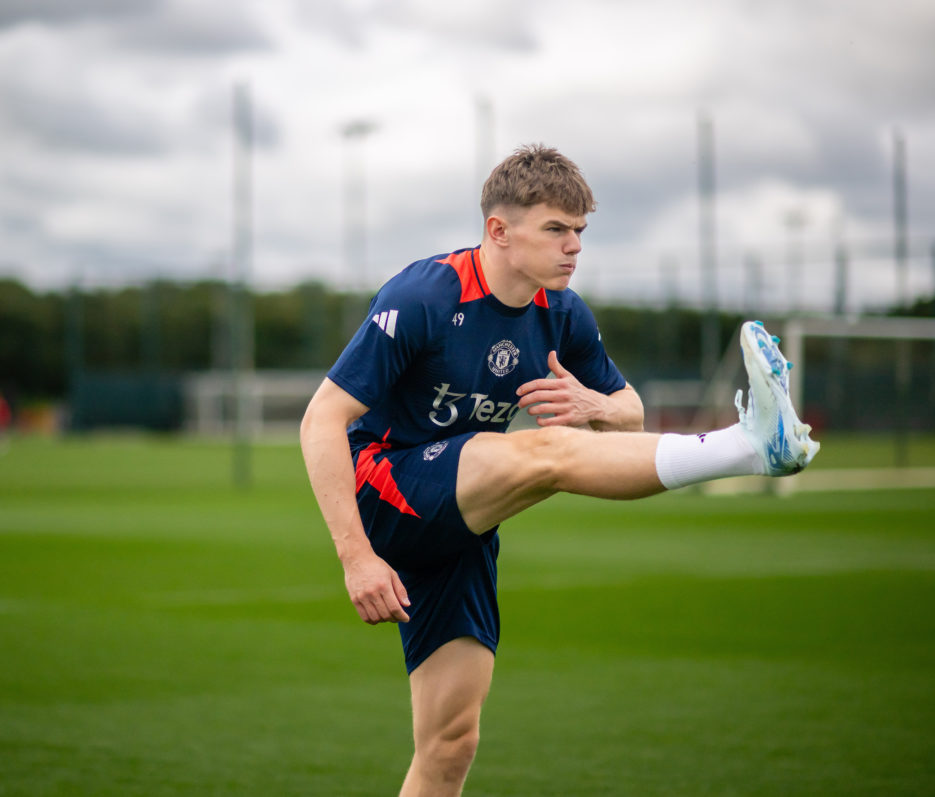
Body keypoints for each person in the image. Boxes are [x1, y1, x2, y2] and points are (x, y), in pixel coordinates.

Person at [300, 144, 819, 796]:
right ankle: (750, 447)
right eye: (556, 229)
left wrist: (594, 404)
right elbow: (320, 420)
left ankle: (754, 444)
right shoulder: (425, 294)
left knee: (450, 743)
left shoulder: (563, 312)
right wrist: (356, 558)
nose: (574, 246)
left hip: (459, 519)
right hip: (386, 489)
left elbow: (627, 412)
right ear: (499, 230)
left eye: (580, 231)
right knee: (548, 454)